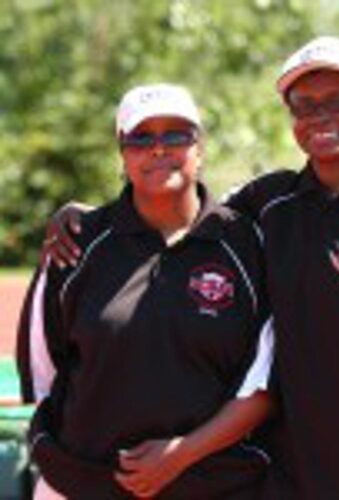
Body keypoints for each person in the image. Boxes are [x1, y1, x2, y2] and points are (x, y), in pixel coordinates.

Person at [42, 37, 339, 498]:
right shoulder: (271, 203)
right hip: (291, 466)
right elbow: (176, 204)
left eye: (337, 101)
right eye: (303, 106)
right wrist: (82, 214)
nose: (320, 118)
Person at [17, 83, 277, 499]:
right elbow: (47, 373)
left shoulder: (247, 245)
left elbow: (265, 383)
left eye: (176, 135)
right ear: (122, 153)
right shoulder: (75, 245)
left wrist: (179, 456)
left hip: (214, 488)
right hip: (82, 485)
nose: (159, 149)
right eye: (141, 138)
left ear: (200, 147)